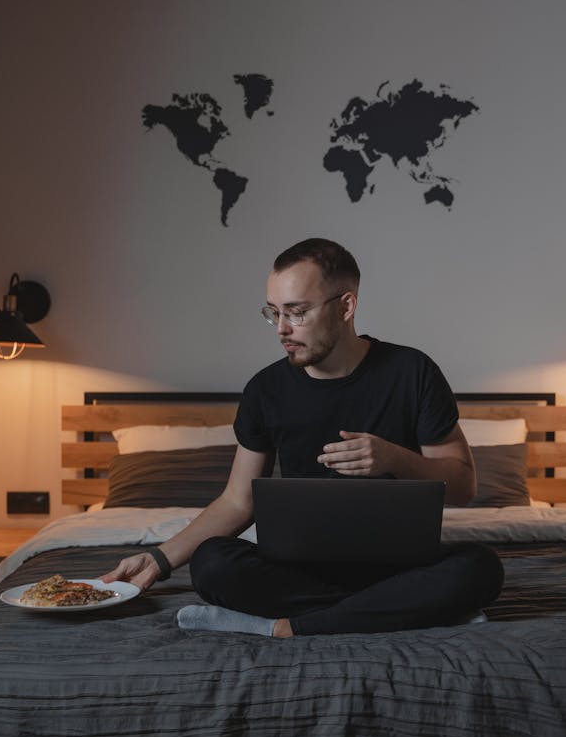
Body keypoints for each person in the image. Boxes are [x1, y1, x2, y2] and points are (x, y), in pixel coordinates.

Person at [101, 237, 503, 637]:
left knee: (481, 567)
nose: (281, 329)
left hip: (399, 566)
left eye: (297, 313)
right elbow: (238, 501)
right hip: (300, 571)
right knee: (211, 563)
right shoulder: (265, 390)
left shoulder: (413, 371)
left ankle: (288, 627)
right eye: (273, 313)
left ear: (346, 306)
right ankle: (394, 610)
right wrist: (158, 560)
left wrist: (395, 460)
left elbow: (463, 487)